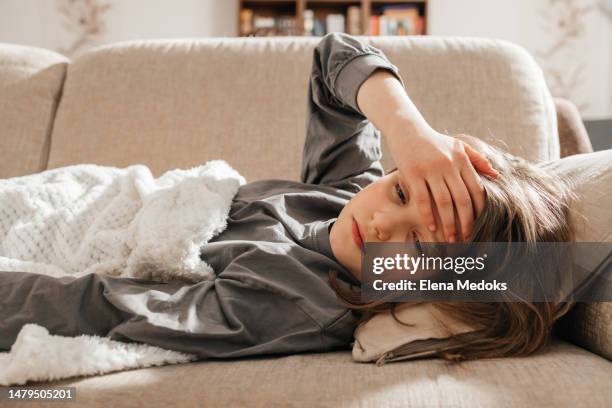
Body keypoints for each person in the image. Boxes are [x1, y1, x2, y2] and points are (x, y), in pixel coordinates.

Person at [0, 33, 572, 361]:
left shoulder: (298, 303)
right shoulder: (344, 193)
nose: (382, 224)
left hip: (63, 236)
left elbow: (104, 306)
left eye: (419, 247)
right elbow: (334, 61)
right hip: (83, 190)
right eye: (400, 191)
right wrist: (410, 131)